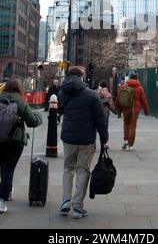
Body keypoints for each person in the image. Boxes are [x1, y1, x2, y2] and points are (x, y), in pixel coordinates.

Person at [58, 67, 108, 219]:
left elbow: (60, 111)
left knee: (68, 168)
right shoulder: (91, 95)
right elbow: (100, 119)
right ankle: (77, 207)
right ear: (81, 76)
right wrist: (104, 138)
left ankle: (66, 200)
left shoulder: (62, 93)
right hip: (86, 139)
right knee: (83, 170)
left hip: (68, 138)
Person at [0, 79, 42, 214]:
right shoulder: (20, 101)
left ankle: (7, 192)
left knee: (4, 167)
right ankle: (0, 201)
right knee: (8, 169)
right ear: (19, 89)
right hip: (14, 141)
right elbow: (32, 122)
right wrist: (38, 116)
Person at [116, 73, 149, 151]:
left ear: (130, 78)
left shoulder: (124, 86)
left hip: (126, 108)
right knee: (132, 126)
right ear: (137, 78)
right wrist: (146, 111)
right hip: (135, 109)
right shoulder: (140, 88)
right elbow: (144, 100)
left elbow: (118, 97)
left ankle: (126, 140)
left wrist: (118, 108)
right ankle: (131, 145)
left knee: (126, 124)